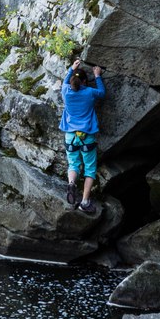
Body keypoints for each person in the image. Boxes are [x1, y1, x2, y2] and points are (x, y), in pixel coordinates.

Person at [60, 58, 105, 215]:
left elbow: (66, 81)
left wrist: (72, 68)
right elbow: (102, 93)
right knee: (90, 169)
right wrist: (98, 76)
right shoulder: (89, 92)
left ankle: (72, 183)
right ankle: (84, 202)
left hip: (70, 136)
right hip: (87, 136)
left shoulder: (65, 91)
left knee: (73, 164)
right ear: (85, 82)